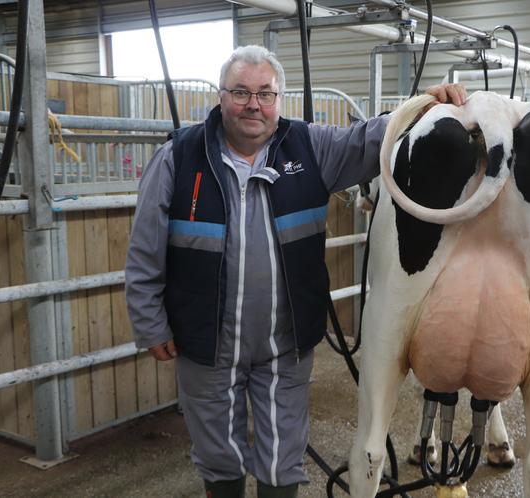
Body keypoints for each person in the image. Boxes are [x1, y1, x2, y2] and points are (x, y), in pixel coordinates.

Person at [124, 44, 467, 498]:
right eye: (241, 92)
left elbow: (371, 138)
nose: (253, 104)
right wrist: (150, 323)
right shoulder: (180, 157)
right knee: (216, 451)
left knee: (283, 456)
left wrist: (424, 106)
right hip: (205, 341)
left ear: (278, 99)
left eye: (266, 94)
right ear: (221, 97)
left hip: (284, 342)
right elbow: (144, 250)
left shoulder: (309, 147)